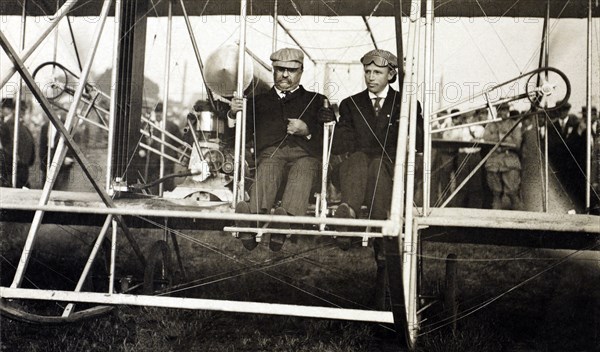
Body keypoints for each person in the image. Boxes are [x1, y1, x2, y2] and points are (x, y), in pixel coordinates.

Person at [229, 47, 331, 252]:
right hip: (271, 154)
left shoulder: (317, 101)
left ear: (301, 72)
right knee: (268, 166)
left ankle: (283, 223)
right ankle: (251, 223)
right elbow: (236, 139)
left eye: (291, 70)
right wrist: (233, 115)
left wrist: (307, 131)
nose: (285, 74)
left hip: (305, 155)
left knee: (303, 169)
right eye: (280, 69)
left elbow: (330, 142)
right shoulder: (258, 102)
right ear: (273, 70)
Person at [330, 49, 423, 250]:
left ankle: (361, 223)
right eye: (367, 72)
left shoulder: (406, 104)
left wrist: (408, 124)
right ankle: (350, 219)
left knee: (377, 166)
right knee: (361, 159)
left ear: (391, 75)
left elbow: (420, 142)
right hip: (355, 169)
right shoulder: (351, 104)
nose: (370, 77)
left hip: (389, 171)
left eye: (377, 72)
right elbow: (339, 145)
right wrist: (333, 122)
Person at [483, 103, 523, 210]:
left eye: (505, 110)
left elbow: (517, 143)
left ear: (508, 110)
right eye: (500, 110)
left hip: (509, 160)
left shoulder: (514, 124)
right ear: (497, 110)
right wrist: (505, 139)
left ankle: (520, 219)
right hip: (494, 161)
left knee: (512, 192)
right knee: (496, 193)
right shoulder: (491, 125)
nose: (503, 112)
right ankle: (496, 222)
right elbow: (486, 139)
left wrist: (497, 139)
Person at [0, 98, 35, 188]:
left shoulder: (9, 124)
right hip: (21, 163)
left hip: (14, 164)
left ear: (8, 109)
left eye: (2, 108)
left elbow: (7, 146)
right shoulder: (19, 124)